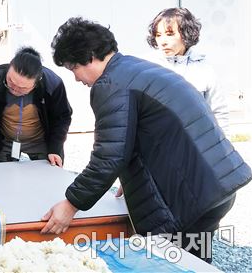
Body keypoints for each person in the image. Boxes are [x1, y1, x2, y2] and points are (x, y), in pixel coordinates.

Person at [42, 17, 251, 263]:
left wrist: (71, 204)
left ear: (89, 56)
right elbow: (149, 134)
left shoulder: (111, 85)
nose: (76, 79)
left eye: (73, 68)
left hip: (190, 197)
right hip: (216, 185)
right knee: (193, 263)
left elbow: (108, 157)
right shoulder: (136, 69)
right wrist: (136, 176)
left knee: (173, 264)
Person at [0, 47, 72, 166]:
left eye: (23, 88)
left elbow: (62, 117)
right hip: (5, 141)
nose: (15, 90)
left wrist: (55, 148)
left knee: (47, 178)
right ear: (9, 68)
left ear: (37, 82)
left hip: (41, 141)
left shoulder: (52, 84)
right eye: (10, 82)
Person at [147, 7, 230, 134]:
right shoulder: (147, 67)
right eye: (158, 35)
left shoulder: (204, 69)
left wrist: (224, 149)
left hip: (195, 144)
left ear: (186, 33)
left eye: (170, 34)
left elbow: (218, 113)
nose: (162, 41)